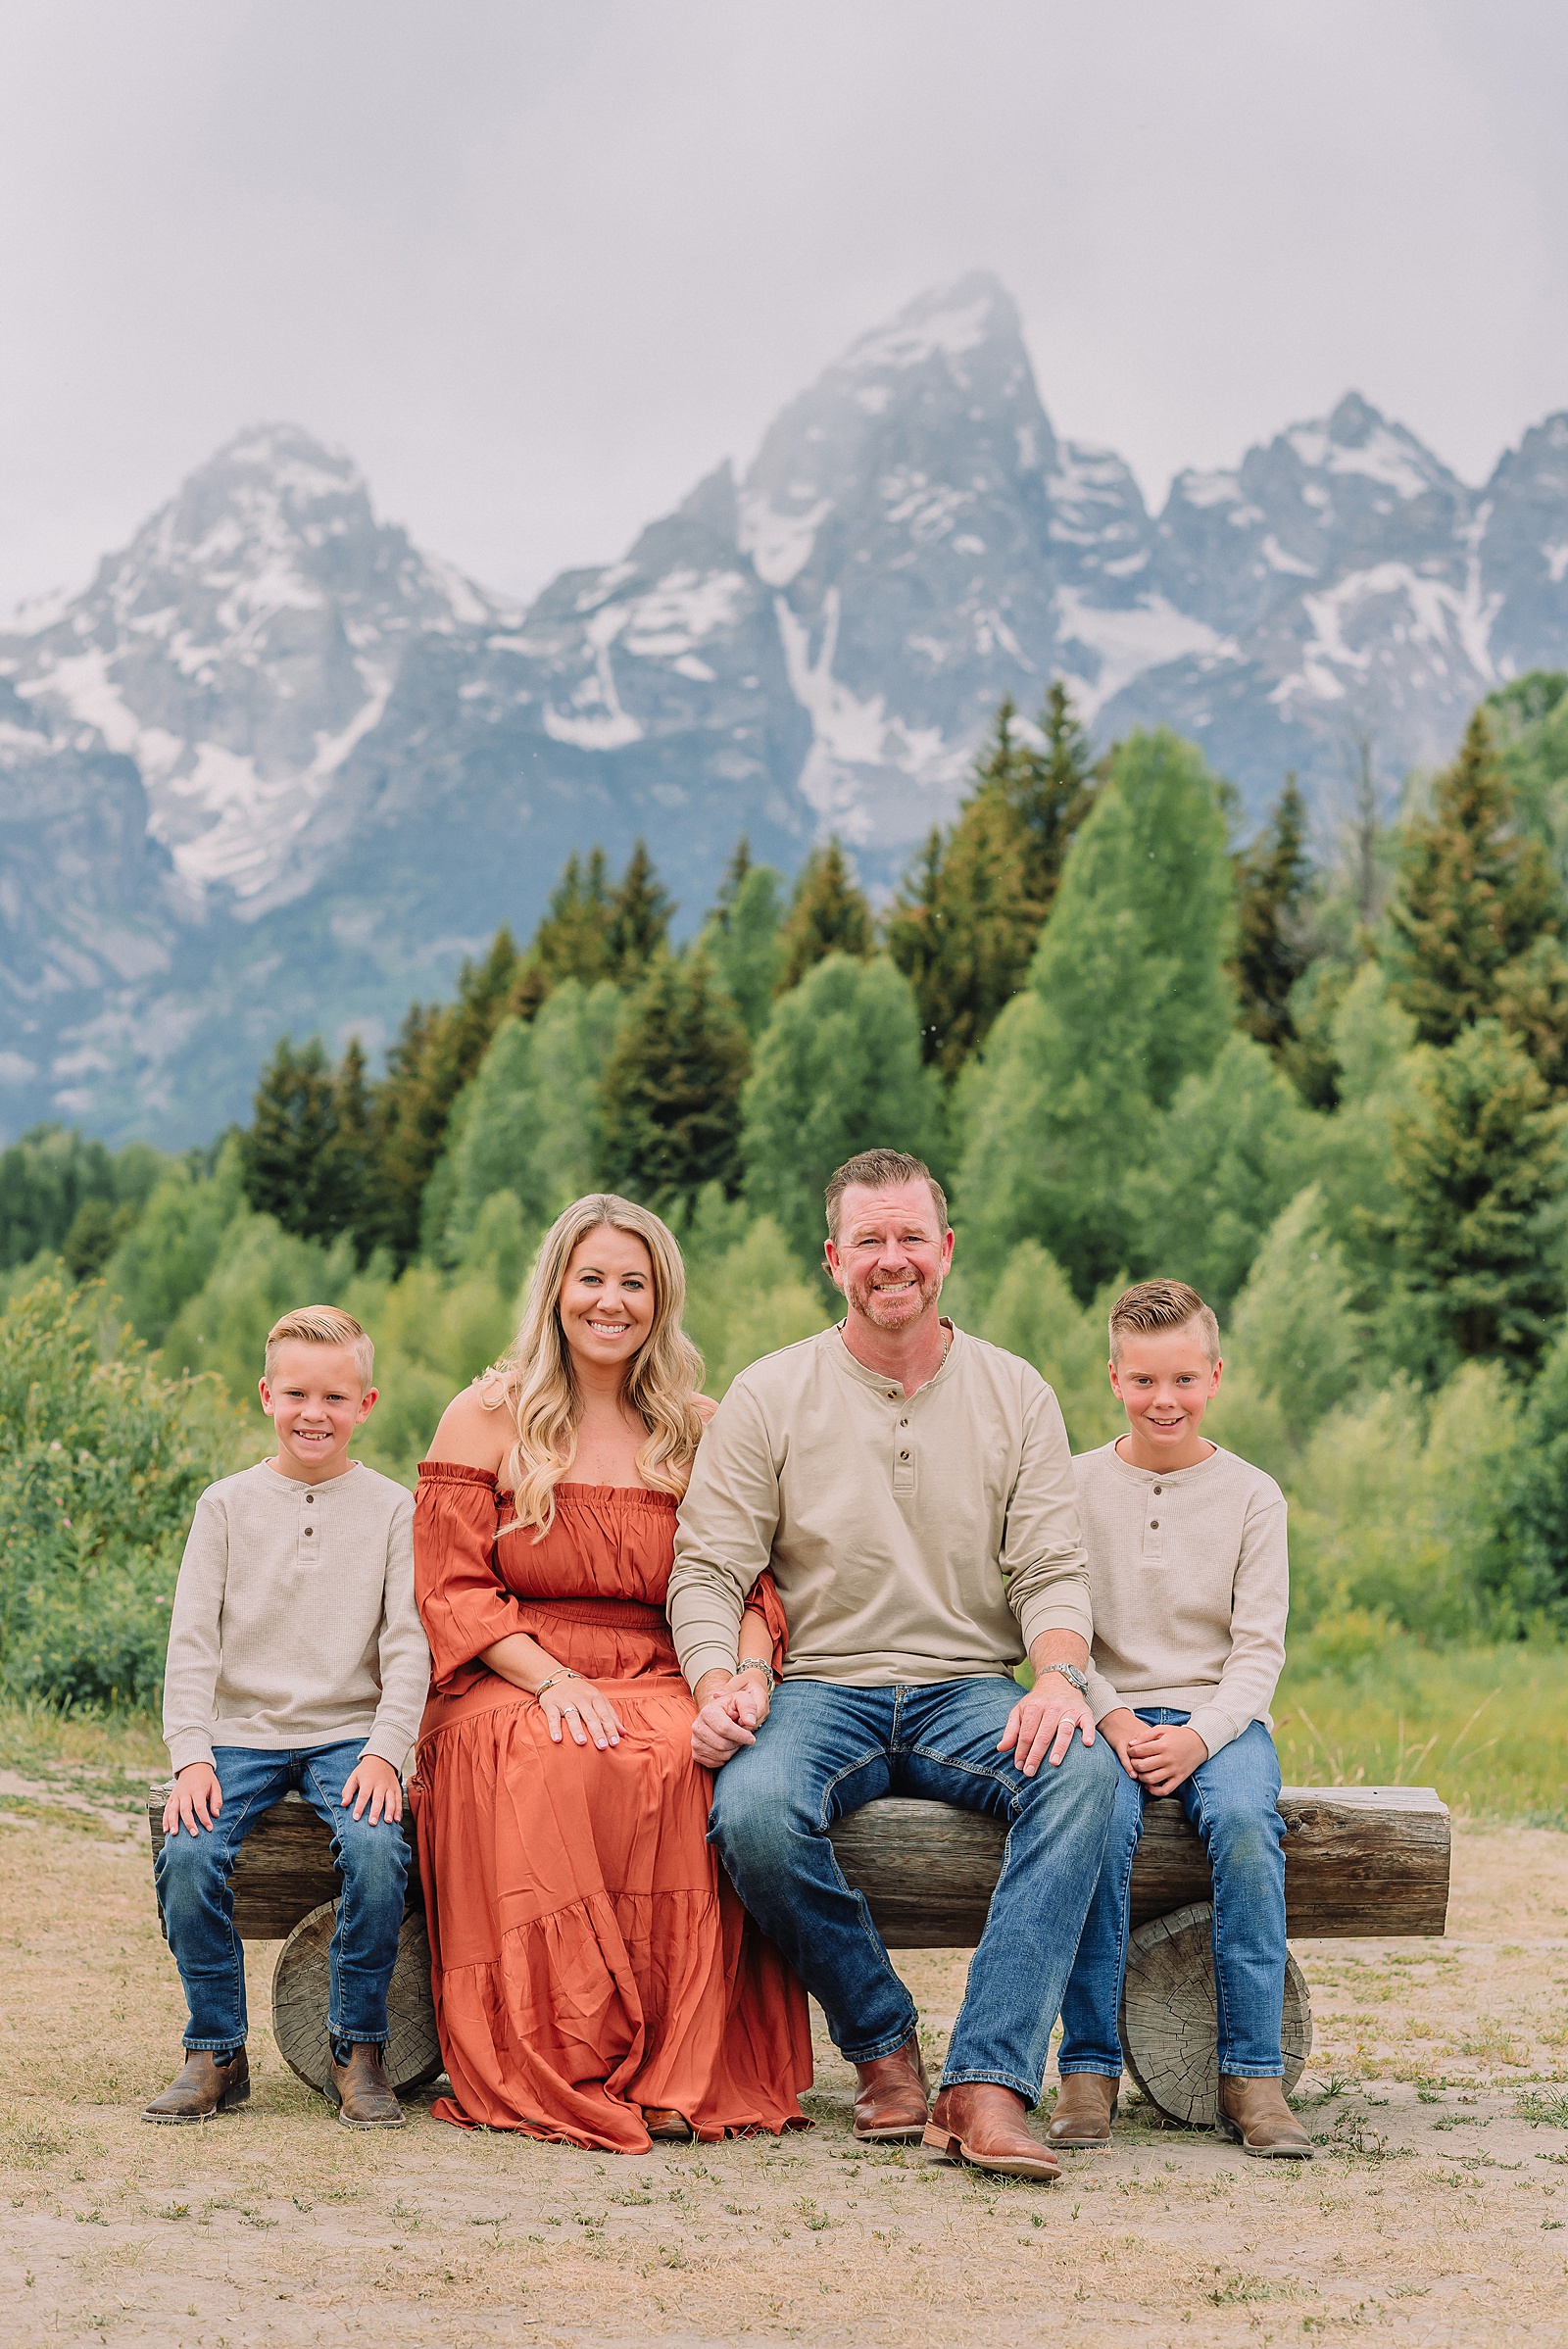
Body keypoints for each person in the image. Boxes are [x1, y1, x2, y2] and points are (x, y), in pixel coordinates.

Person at [669, 1149, 1117, 2184]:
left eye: (911, 1235)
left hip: (970, 1688)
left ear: (946, 1252)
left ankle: (986, 2086)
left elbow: (1052, 1569)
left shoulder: (1016, 1392)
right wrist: (715, 1680)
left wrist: (1054, 1675)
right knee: (751, 1810)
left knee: (1083, 1773)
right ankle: (879, 2045)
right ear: (833, 1258)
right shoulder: (771, 1393)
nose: (892, 1258)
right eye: (868, 1239)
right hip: (821, 1687)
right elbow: (706, 1570)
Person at [412, 1193, 810, 2154]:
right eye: (592, 1278)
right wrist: (548, 1679)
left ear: (660, 1301)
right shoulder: (488, 1412)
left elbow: (750, 1586)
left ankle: (683, 2067)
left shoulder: (698, 1426)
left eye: (633, 1283)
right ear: (556, 1288)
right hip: (510, 1670)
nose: (610, 1301)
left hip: (668, 1662)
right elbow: (452, 1588)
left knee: (688, 1758)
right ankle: (571, 2055)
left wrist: (742, 1682)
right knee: (555, 1756)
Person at [1049, 1278, 1310, 2159]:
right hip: (1103, 1716)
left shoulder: (1252, 1493)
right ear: (1113, 1376)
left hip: (1221, 1721)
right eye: (1146, 1381)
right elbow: (1058, 1629)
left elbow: (1259, 1650)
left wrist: (1200, 1735)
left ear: (1215, 1377)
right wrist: (1116, 1721)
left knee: (1244, 1824)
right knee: (1094, 1829)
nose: (1166, 1400)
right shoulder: (1074, 1485)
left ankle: (1252, 2073)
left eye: (1185, 1380)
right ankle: (1086, 2069)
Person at [150, 1306, 427, 2129]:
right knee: (190, 1848)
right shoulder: (227, 1505)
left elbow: (408, 1645)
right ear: (267, 1395)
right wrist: (191, 1752)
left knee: (378, 1847)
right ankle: (216, 2049)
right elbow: (192, 1640)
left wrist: (387, 1749)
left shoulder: (391, 1508)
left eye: (335, 1396)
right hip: (240, 1733)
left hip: (350, 1731)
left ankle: (359, 2046)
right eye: (298, 1393)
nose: (316, 1412)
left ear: (366, 1403)